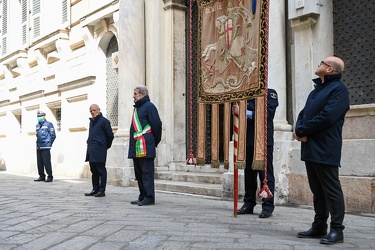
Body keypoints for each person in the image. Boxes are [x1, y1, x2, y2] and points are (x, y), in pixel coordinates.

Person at [293, 56, 349, 245]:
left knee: (331, 190)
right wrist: (299, 129)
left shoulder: (339, 90)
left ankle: (337, 230)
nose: (319, 64)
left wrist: (303, 130)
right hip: (310, 146)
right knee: (317, 190)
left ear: (330, 70)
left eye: (322, 63)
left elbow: (327, 117)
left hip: (326, 147)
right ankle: (319, 226)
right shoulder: (316, 90)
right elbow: (304, 113)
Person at [233, 89, 279, 218]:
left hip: (263, 140)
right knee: (249, 173)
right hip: (247, 139)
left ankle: (268, 205)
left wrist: (243, 112)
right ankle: (249, 203)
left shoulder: (270, 93)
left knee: (265, 174)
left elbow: (267, 114)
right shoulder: (245, 95)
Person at [128, 85, 162, 206]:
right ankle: (142, 195)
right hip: (137, 146)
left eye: (135, 93)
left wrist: (153, 141)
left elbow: (157, 125)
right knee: (139, 173)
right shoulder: (137, 108)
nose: (133, 96)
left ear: (142, 95)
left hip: (146, 146)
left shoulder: (149, 107)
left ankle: (149, 197)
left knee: (147, 173)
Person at [84, 104, 114, 197]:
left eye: (94, 110)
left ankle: (102, 190)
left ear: (99, 110)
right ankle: (95, 189)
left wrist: (105, 146)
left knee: (101, 170)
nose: (93, 112)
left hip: (100, 149)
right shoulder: (91, 122)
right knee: (94, 170)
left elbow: (110, 135)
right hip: (91, 149)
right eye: (91, 111)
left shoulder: (104, 121)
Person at [35, 110, 56, 182]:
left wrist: (49, 143)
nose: (39, 118)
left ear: (44, 116)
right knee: (39, 162)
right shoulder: (37, 125)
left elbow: (53, 135)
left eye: (40, 116)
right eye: (38, 116)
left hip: (46, 146)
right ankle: (41, 176)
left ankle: (50, 176)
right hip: (39, 146)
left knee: (47, 162)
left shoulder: (48, 124)